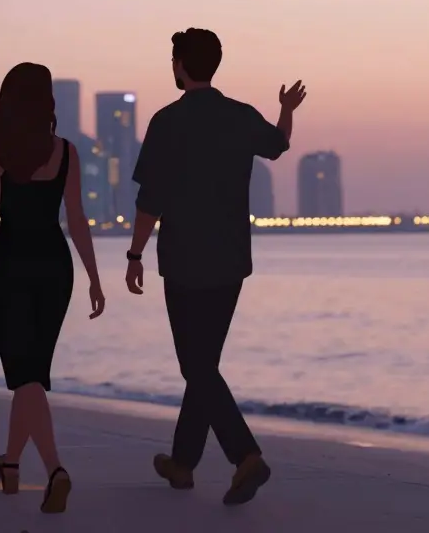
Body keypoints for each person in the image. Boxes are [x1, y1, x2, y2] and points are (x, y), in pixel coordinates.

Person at [124, 28, 306, 506]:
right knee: (203, 364)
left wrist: (135, 254)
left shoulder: (167, 121)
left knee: (196, 365)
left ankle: (246, 455)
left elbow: (150, 199)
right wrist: (286, 109)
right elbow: (279, 144)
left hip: (183, 258)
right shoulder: (239, 115)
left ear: (181, 64)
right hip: (230, 259)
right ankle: (182, 463)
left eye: (174, 59)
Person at [0, 62, 106, 515]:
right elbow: (76, 218)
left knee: (26, 377)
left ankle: (56, 469)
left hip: (10, 266)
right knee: (31, 376)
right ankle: (11, 463)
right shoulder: (67, 153)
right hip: (55, 267)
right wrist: (94, 276)